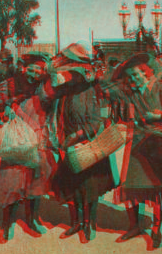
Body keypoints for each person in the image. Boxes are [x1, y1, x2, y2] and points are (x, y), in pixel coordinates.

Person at [0, 51, 67, 241]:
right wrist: (5, 106)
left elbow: (57, 100)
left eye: (41, 69)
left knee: (36, 182)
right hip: (17, 139)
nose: (38, 72)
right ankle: (7, 224)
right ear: (24, 67)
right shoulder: (12, 84)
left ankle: (32, 220)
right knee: (12, 180)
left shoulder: (45, 86)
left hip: (38, 137)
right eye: (35, 68)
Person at [110, 53, 162, 248]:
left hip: (161, 146)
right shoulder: (128, 93)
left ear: (146, 73)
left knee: (161, 189)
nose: (132, 80)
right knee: (132, 187)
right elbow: (108, 83)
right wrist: (122, 68)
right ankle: (135, 226)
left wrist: (161, 115)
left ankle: (159, 228)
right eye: (129, 77)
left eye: (136, 75)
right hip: (138, 145)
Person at [52, 43, 116, 242]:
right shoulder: (65, 91)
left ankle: (90, 224)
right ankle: (77, 223)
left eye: (72, 71)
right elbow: (59, 115)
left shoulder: (91, 90)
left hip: (89, 145)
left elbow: (97, 120)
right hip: (69, 144)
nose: (69, 75)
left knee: (90, 187)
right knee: (73, 185)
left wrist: (80, 134)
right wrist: (62, 137)